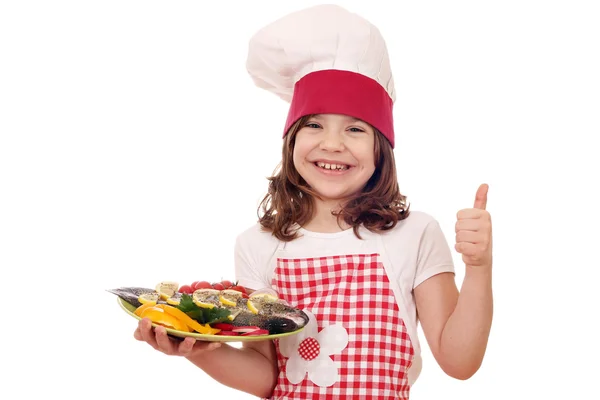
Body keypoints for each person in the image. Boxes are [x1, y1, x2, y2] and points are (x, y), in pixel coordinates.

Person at [133, 5, 493, 399]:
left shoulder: (415, 233)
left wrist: (478, 267)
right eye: (314, 125)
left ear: (381, 149)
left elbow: (460, 363)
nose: (332, 144)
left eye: (355, 128)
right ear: (291, 141)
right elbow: (265, 377)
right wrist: (197, 348)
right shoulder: (258, 245)